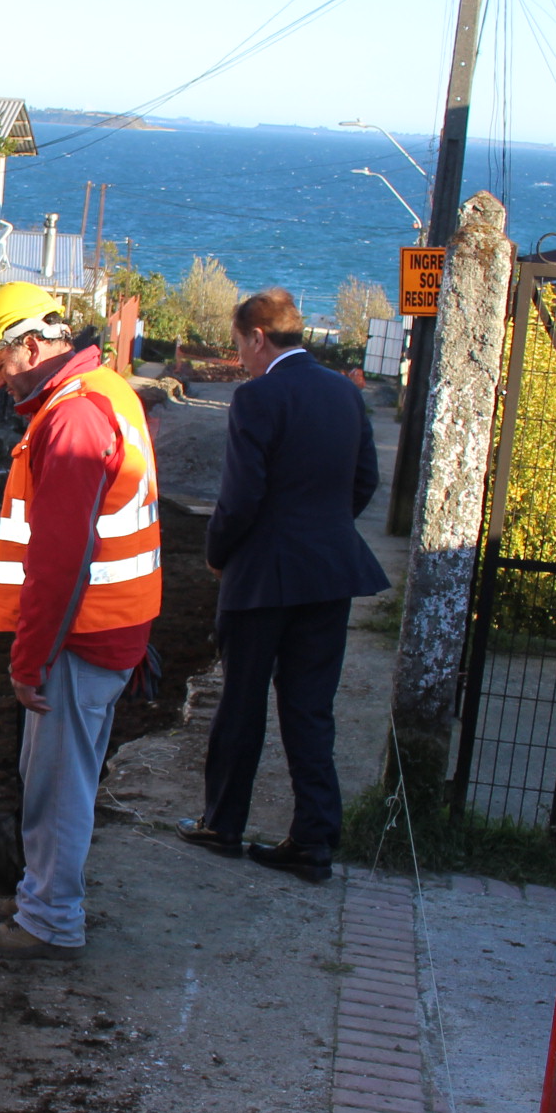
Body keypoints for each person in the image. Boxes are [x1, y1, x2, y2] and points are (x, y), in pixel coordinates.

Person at [0, 282, 162, 962]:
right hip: (106, 628)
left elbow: (60, 558)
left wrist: (28, 656)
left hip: (78, 636)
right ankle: (38, 893)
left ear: (34, 345)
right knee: (54, 773)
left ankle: (49, 920)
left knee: (57, 781)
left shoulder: (72, 419)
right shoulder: (106, 391)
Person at [177, 288, 389, 882]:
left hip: (263, 575)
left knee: (242, 702)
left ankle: (223, 824)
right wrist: (321, 529)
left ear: (258, 338)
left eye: (241, 345)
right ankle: (314, 840)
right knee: (310, 708)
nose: (240, 357)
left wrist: (219, 553)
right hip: (329, 571)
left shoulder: (258, 397)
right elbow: (364, 480)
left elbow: (240, 497)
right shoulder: (346, 394)